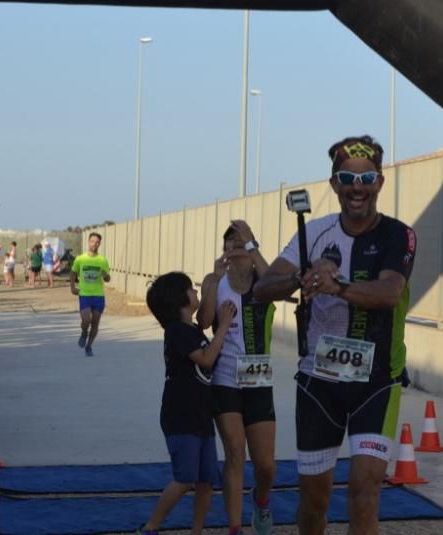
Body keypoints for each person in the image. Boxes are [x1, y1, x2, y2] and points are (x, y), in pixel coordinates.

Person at [252, 135, 418, 535]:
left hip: (377, 384)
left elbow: (389, 292)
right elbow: (262, 289)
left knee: (364, 493)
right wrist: (301, 276)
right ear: (333, 184)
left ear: (379, 183)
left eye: (366, 178)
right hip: (319, 385)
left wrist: (336, 286)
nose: (356, 187)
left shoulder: (399, 235)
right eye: (347, 177)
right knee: (314, 502)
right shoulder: (314, 234)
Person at [138, 272, 236, 535]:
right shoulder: (176, 332)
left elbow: (204, 321)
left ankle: (197, 531)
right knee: (184, 479)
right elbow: (205, 359)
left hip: (201, 415)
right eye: (192, 290)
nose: (196, 294)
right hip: (180, 417)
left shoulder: (191, 329)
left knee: (206, 482)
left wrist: (214, 277)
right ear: (180, 300)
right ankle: (150, 527)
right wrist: (224, 326)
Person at [198, 221, 276, 535]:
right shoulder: (214, 280)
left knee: (266, 466)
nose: (233, 249)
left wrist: (253, 245)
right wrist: (215, 281)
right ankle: (235, 527)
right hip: (224, 377)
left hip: (258, 377)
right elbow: (203, 321)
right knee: (234, 452)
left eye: (240, 243)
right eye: (228, 244)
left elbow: (275, 280)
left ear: (251, 247)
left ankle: (261, 497)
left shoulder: (263, 281)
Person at [71, 232, 111, 357]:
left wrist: (106, 276)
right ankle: (84, 332)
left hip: (98, 296)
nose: (95, 244)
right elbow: (73, 273)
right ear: (88, 242)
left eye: (97, 242)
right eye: (92, 241)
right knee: (86, 320)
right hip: (85, 295)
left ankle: (89, 346)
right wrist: (72, 287)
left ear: (100, 244)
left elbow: (108, 278)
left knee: (95, 323)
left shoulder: (102, 260)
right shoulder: (80, 258)